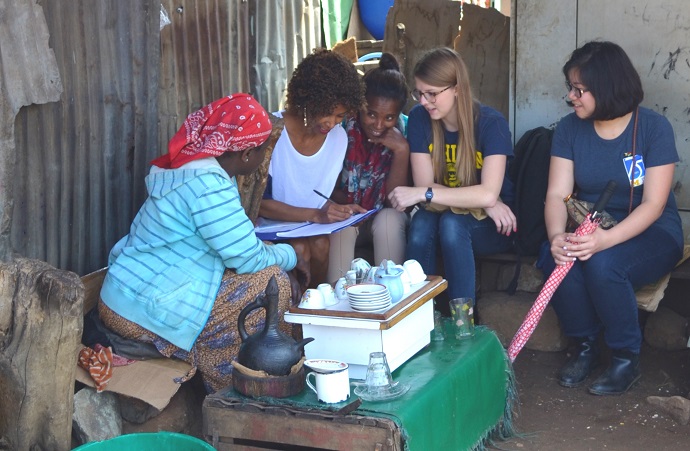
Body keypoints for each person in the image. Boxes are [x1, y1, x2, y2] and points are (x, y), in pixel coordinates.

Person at [98, 94, 310, 393]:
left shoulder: (188, 169)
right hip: (139, 310)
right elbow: (247, 259)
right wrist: (291, 255)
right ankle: (238, 392)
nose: (265, 157)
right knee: (270, 284)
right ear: (248, 153)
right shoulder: (208, 186)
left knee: (266, 277)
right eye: (265, 150)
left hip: (125, 294)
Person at [542, 41, 683, 395]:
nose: (571, 97)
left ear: (606, 88)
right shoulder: (569, 128)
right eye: (570, 88)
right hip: (592, 224)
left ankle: (624, 357)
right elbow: (557, 194)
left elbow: (653, 204)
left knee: (605, 264)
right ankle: (586, 346)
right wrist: (558, 235)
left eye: (579, 90)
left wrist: (605, 240)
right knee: (554, 257)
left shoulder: (653, 127)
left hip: (651, 230)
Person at [388, 47, 516, 303]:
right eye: (420, 93)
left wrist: (487, 201)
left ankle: (463, 323)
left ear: (457, 87)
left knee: (452, 224)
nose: (424, 101)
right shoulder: (420, 119)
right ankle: (419, 316)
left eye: (432, 93)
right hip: (449, 214)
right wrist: (481, 201)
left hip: (495, 225)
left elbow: (488, 192)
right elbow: (426, 188)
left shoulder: (491, 123)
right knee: (422, 224)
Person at [259, 48, 367, 286]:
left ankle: (312, 308)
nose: (332, 123)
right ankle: (290, 318)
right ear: (308, 99)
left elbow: (313, 195)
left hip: (308, 225)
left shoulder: (338, 139)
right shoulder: (272, 131)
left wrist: (336, 209)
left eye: (340, 116)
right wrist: (316, 214)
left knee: (319, 245)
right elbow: (260, 204)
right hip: (269, 226)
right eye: (327, 113)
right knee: (300, 249)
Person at [327, 53, 411, 282]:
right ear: (360, 107)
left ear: (398, 115)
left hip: (386, 213)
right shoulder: (342, 129)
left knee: (388, 220)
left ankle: (392, 300)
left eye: (389, 117)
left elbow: (395, 199)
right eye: (371, 114)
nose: (378, 125)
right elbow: (326, 188)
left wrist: (401, 151)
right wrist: (349, 206)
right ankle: (338, 303)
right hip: (350, 211)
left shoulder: (407, 131)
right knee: (343, 225)